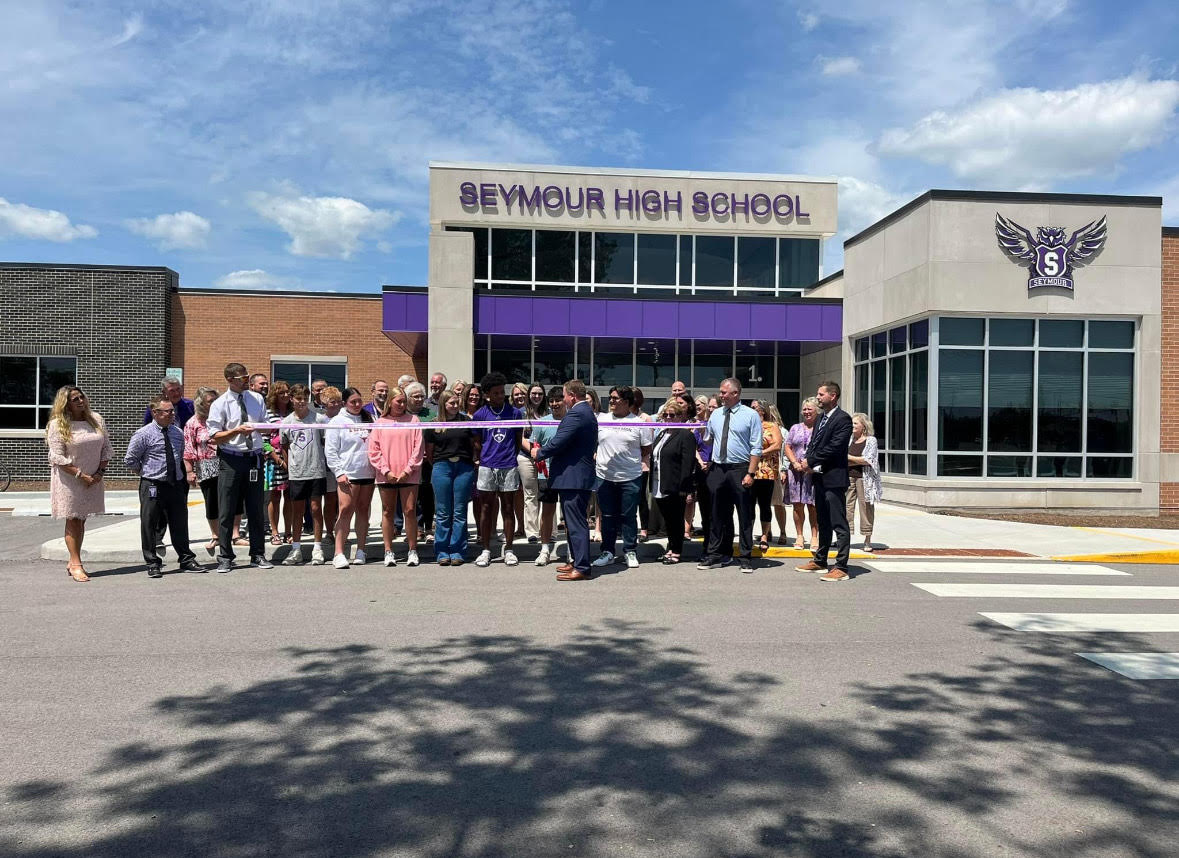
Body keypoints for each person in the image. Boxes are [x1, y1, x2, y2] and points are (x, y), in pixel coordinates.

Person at [125, 395, 203, 577]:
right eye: (167, 411)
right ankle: (152, 562)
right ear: (155, 413)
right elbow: (130, 460)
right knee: (150, 524)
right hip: (153, 484)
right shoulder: (143, 434)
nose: (171, 414)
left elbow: (181, 456)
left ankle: (186, 558)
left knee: (180, 523)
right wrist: (146, 473)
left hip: (175, 484)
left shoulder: (177, 432)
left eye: (172, 411)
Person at [207, 363, 272, 572]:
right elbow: (214, 436)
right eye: (242, 378)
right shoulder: (220, 403)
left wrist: (266, 430)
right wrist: (236, 431)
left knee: (255, 509)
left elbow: (264, 425)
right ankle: (226, 556)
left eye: (247, 376)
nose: (246, 380)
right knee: (227, 509)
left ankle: (258, 554)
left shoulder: (257, 399)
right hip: (231, 459)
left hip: (254, 458)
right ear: (230, 380)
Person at [532, 379, 598, 581]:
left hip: (574, 477)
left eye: (564, 395)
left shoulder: (577, 414)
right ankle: (577, 561)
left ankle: (583, 567)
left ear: (572, 395)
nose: (564, 400)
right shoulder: (584, 412)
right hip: (574, 476)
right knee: (572, 522)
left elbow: (559, 442)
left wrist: (539, 452)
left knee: (577, 523)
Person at [46, 386, 113, 582]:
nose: (80, 401)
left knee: (81, 519)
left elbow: (106, 449)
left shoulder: (96, 420)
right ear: (65, 403)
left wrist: (99, 472)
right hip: (70, 480)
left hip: (93, 479)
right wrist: (80, 475)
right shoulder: (58, 425)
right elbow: (56, 456)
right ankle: (76, 564)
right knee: (73, 519)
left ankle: (73, 560)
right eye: (75, 399)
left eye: (81, 397)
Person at [697, 378, 762, 572]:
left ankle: (745, 557)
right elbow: (708, 440)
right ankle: (715, 554)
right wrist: (702, 430)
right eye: (720, 392)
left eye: (724, 392)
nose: (721, 395)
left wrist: (751, 472)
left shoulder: (750, 415)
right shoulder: (716, 414)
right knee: (716, 514)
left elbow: (756, 447)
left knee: (744, 514)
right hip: (718, 469)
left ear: (735, 393)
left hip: (740, 469)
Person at [796, 381, 854, 582]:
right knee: (823, 521)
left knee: (838, 522)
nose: (818, 397)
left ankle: (841, 566)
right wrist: (808, 463)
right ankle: (820, 560)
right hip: (818, 477)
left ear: (833, 396)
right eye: (818, 394)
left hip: (834, 479)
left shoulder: (843, 419)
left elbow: (835, 447)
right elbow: (815, 443)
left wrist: (810, 461)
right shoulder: (821, 418)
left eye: (821, 395)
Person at [591, 386, 654, 570]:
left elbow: (646, 449)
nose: (610, 401)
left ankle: (629, 551)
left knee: (628, 516)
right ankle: (608, 552)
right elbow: (593, 442)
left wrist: (627, 460)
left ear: (626, 402)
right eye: (610, 398)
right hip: (604, 477)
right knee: (608, 516)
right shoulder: (601, 419)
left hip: (630, 477)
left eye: (615, 398)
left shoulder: (638, 422)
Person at [472, 372, 523, 567]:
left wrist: (509, 457)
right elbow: (477, 441)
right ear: (487, 394)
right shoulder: (480, 415)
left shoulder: (515, 413)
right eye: (496, 393)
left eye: (502, 392)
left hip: (508, 465)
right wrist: (486, 456)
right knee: (486, 507)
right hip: (486, 466)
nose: (501, 396)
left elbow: (517, 441)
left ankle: (509, 549)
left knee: (508, 507)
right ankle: (486, 549)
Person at [369, 386, 424, 567]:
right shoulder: (380, 423)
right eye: (398, 401)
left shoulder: (413, 420)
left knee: (409, 511)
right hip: (387, 475)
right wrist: (386, 471)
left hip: (409, 475)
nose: (401, 404)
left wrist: (408, 470)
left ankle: (412, 550)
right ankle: (388, 550)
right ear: (390, 401)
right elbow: (374, 450)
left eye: (403, 401)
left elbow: (418, 448)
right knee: (387, 511)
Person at [325, 387, 377, 568]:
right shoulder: (336, 422)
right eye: (353, 402)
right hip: (348, 474)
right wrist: (338, 472)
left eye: (359, 401)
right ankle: (338, 553)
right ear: (344, 403)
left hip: (368, 473)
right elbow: (330, 450)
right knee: (346, 509)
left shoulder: (369, 418)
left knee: (363, 510)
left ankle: (361, 550)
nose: (357, 405)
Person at [424, 390, 477, 566]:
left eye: (456, 403)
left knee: (460, 512)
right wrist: (439, 465)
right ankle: (441, 551)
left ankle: (458, 550)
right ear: (443, 405)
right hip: (442, 467)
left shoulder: (466, 422)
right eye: (451, 403)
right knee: (443, 512)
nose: (455, 406)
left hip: (464, 467)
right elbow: (429, 452)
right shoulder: (434, 424)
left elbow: (474, 445)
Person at [280, 384, 329, 565]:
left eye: (304, 398)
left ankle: (317, 547)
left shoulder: (319, 419)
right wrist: (288, 464)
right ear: (291, 399)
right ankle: (296, 549)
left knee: (316, 508)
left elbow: (325, 442)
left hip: (316, 470)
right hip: (297, 473)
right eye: (298, 398)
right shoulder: (286, 422)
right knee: (297, 511)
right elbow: (284, 446)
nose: (302, 402)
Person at [651, 398, 698, 564]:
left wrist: (685, 487)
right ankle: (670, 547)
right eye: (666, 415)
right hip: (659, 483)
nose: (668, 418)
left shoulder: (685, 435)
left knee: (676, 519)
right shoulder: (662, 433)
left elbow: (688, 463)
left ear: (680, 416)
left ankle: (676, 550)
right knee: (668, 520)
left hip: (676, 485)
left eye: (672, 415)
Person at [183, 386, 228, 556]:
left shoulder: (221, 419)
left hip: (226, 463)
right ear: (201, 403)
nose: (214, 404)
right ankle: (216, 535)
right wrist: (189, 471)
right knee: (212, 501)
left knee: (230, 499)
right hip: (206, 465)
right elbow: (188, 449)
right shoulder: (193, 423)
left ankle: (232, 533)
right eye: (210, 401)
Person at [524, 386, 565, 566]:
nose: (555, 404)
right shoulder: (543, 422)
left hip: (567, 474)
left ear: (565, 400)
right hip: (546, 474)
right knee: (547, 512)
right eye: (552, 401)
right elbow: (534, 445)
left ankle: (572, 550)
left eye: (558, 400)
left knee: (570, 514)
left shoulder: (572, 420)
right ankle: (545, 549)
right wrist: (536, 454)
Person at [782, 398, 820, 549]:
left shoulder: (820, 428)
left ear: (817, 410)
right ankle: (799, 536)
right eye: (804, 409)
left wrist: (810, 464)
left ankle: (815, 536)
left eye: (810, 409)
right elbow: (787, 446)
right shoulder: (795, 428)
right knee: (798, 506)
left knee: (813, 506)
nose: (806, 412)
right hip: (796, 472)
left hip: (813, 472)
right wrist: (794, 463)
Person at [750, 399, 783, 552]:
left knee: (764, 504)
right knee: (748, 505)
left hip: (766, 471)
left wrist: (759, 453)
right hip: (750, 470)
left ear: (762, 410)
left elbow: (777, 445)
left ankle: (764, 535)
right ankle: (748, 534)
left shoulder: (772, 426)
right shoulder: (748, 425)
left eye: (755, 407)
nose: (752, 409)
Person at [847, 412, 883, 553]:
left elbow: (868, 460)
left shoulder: (871, 440)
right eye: (852, 423)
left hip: (865, 479)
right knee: (846, 507)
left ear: (864, 426)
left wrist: (849, 458)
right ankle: (844, 537)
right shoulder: (849, 440)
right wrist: (856, 460)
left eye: (855, 423)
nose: (852, 426)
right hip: (848, 477)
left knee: (866, 508)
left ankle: (867, 540)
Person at [265, 381, 294, 545]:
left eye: (287, 392)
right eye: (281, 393)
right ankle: (275, 532)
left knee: (290, 497)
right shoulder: (268, 414)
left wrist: (289, 462)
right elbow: (264, 441)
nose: (285, 396)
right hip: (274, 461)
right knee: (275, 497)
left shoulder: (293, 413)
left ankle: (288, 532)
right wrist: (278, 460)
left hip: (294, 460)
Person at [514, 382, 543, 544]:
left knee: (546, 494)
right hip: (526, 457)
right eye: (534, 393)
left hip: (546, 457)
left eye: (540, 393)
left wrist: (545, 452)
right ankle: (532, 531)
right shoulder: (521, 413)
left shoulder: (547, 412)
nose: (536, 396)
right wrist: (533, 451)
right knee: (530, 494)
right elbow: (520, 437)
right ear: (528, 395)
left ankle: (548, 529)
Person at [318, 386, 343, 549]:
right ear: (325, 403)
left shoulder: (345, 418)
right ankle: (329, 532)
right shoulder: (320, 420)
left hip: (344, 464)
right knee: (330, 499)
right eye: (331, 402)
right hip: (326, 466)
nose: (335, 405)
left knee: (343, 502)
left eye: (338, 402)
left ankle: (342, 531)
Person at [631, 388, 655, 543]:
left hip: (641, 465)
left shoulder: (645, 418)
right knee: (627, 499)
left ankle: (644, 529)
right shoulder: (623, 417)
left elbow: (648, 445)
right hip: (625, 465)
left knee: (641, 498)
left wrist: (631, 451)